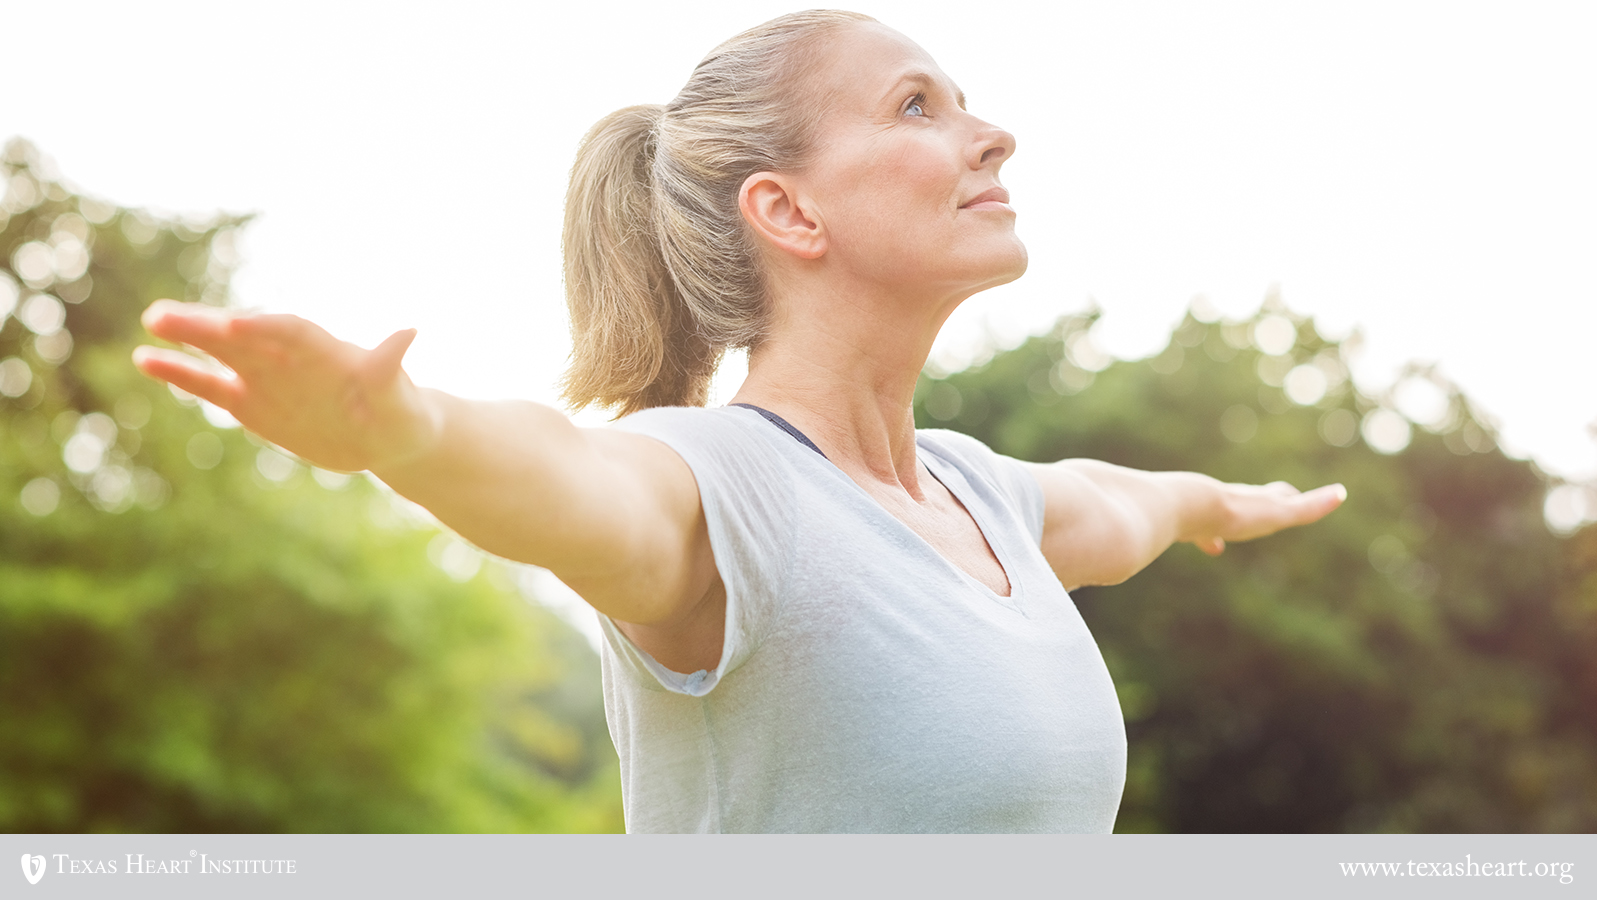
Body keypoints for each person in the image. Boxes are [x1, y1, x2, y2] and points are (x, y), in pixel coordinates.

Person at [133, 10, 1345, 832]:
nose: (991, 133)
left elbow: (1128, 502)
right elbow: (571, 479)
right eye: (917, 105)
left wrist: (1220, 504)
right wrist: (407, 434)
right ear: (789, 212)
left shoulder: (986, 498)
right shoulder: (720, 486)